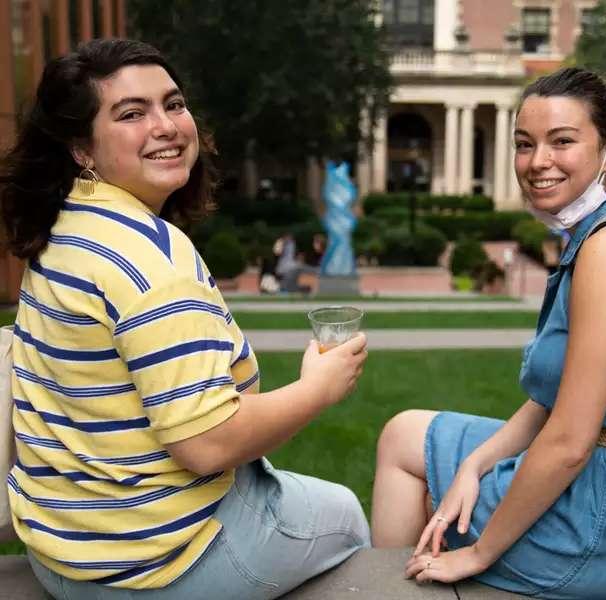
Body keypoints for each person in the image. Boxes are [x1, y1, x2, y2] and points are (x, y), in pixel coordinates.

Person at [0, 39, 369, 599]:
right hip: (161, 564)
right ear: (81, 147)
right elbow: (207, 444)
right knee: (343, 515)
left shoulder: (63, 229)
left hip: (62, 553)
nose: (167, 125)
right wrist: (318, 388)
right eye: (131, 114)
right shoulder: (151, 261)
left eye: (173, 104)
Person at [371, 67, 606, 599]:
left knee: (425, 498)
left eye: (562, 141)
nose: (537, 161)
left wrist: (478, 552)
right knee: (404, 434)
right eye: (525, 144)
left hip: (599, 525)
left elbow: (568, 442)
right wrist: (474, 463)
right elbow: (554, 401)